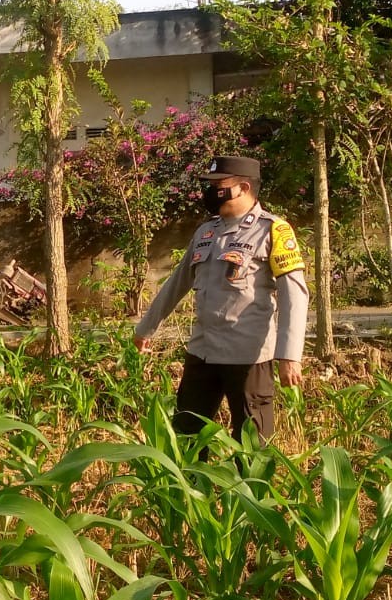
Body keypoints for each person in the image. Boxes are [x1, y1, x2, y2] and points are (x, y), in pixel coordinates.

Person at [132, 155, 308, 444]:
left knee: (251, 445)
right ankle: (192, 488)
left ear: (244, 187)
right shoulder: (206, 231)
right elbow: (177, 283)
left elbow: (295, 295)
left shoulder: (272, 230)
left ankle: (249, 491)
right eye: (209, 185)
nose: (210, 192)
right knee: (187, 436)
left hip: (248, 358)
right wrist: (146, 329)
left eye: (218, 185)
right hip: (202, 352)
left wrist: (289, 356)